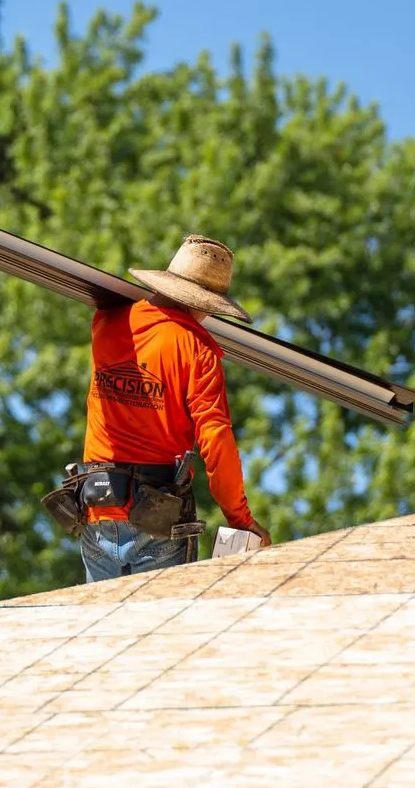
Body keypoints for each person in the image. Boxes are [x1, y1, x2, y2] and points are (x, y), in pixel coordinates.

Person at [75, 234, 271, 582]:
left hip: (98, 510)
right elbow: (216, 439)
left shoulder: (106, 323)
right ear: (203, 303)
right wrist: (240, 519)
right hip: (156, 520)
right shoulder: (198, 350)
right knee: (162, 629)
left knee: (103, 630)